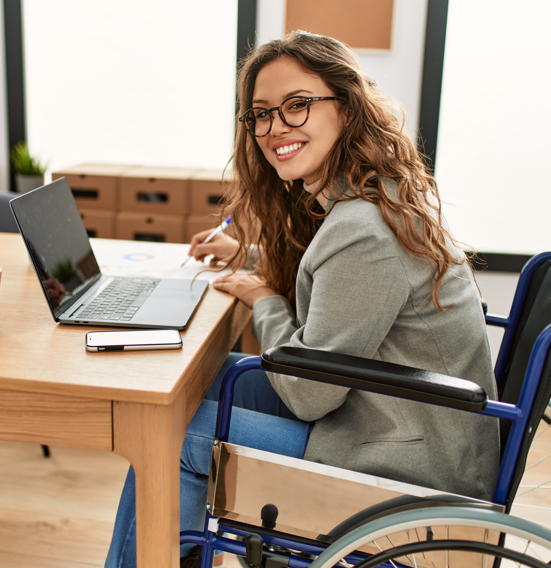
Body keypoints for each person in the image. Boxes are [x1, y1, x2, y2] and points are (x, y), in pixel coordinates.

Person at [105, 31, 499, 568]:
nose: (275, 128)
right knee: (207, 382)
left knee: (164, 436)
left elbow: (310, 396)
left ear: (347, 107)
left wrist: (262, 297)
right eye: (261, 114)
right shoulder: (368, 198)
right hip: (394, 422)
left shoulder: (363, 229)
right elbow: (343, 290)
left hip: (402, 464)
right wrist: (250, 258)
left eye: (297, 105)